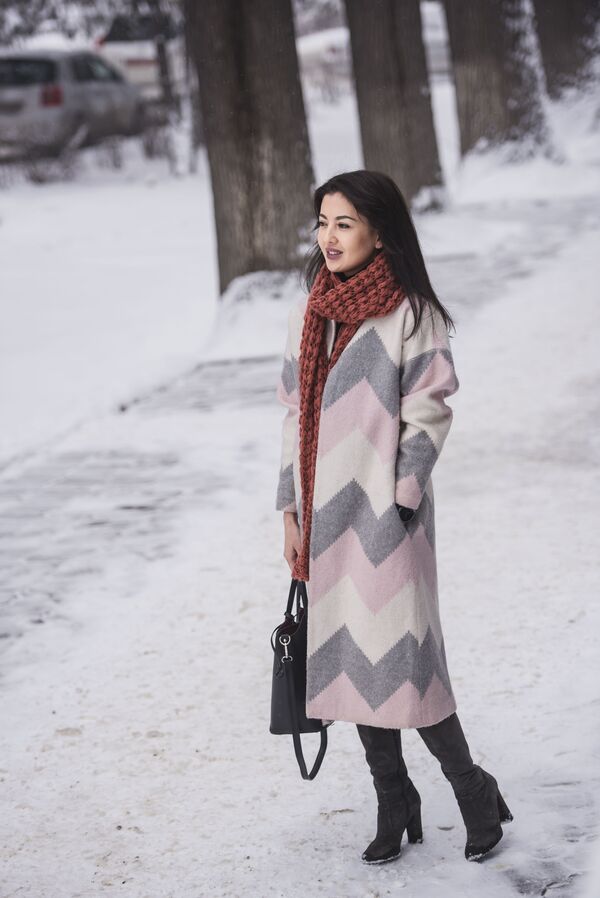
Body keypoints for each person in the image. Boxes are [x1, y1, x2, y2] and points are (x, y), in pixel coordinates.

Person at [275, 169, 513, 865]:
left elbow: (430, 409)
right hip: (323, 520)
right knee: (353, 665)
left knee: (408, 662)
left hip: (386, 520)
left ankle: (472, 789)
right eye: (323, 222)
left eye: (344, 223)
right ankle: (394, 798)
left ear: (380, 232)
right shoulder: (310, 313)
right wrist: (290, 509)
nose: (329, 237)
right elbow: (292, 415)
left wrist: (401, 498)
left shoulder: (412, 313)